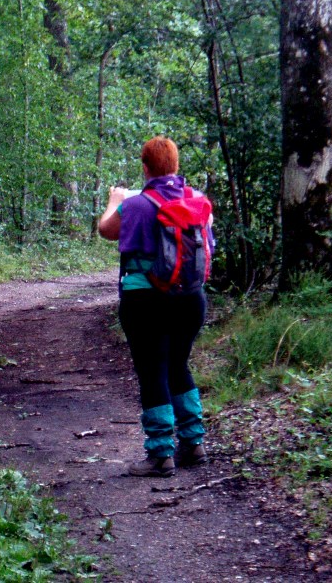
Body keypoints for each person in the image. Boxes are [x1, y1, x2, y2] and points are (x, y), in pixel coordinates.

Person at [99, 136, 210, 477]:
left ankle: (161, 453)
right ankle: (193, 443)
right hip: (191, 299)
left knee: (152, 371)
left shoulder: (135, 205)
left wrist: (113, 199)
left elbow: (106, 230)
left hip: (145, 301)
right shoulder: (198, 202)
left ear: (145, 168)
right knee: (178, 364)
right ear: (175, 167)